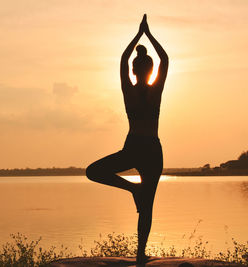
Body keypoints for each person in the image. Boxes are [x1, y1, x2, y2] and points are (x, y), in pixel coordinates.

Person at [85, 14, 168, 263]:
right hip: (149, 149)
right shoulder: (154, 91)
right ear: (150, 70)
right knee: (147, 204)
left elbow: (123, 60)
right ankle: (140, 251)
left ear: (135, 70)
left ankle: (140, 252)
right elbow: (164, 59)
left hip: (138, 149)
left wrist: (139, 36)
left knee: (94, 172)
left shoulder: (130, 90)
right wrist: (147, 34)